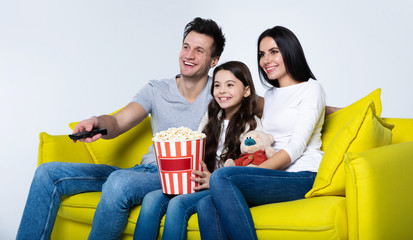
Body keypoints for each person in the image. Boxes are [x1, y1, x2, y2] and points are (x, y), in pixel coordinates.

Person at [16, 17, 226, 240]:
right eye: (186, 47)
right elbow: (117, 122)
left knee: (119, 183)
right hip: (140, 172)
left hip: (176, 174)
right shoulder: (157, 90)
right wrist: (97, 122)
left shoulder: (222, 92)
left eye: (199, 50)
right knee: (46, 173)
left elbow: (256, 101)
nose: (189, 55)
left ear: (214, 61)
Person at [196, 26, 326, 240]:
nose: (266, 60)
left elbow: (296, 147)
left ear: (290, 51)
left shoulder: (312, 89)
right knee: (206, 204)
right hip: (274, 175)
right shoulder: (270, 96)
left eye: (274, 52)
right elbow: (233, 98)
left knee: (222, 177)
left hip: (303, 175)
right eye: (261, 54)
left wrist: (254, 172)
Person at [133, 61, 263, 240]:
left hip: (222, 187)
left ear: (247, 91)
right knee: (151, 199)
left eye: (230, 85)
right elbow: (196, 148)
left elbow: (251, 169)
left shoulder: (253, 125)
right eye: (217, 85)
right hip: (199, 180)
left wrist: (215, 180)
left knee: (178, 204)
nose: (222, 90)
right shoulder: (211, 117)